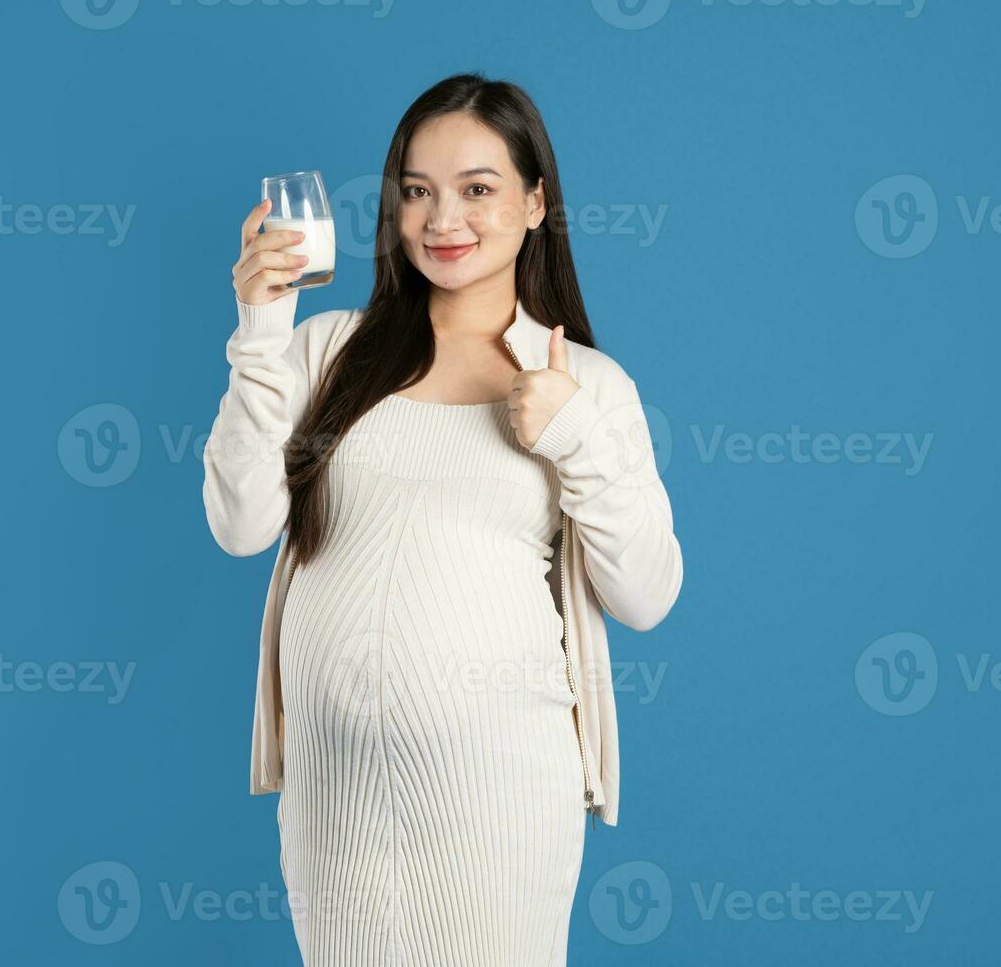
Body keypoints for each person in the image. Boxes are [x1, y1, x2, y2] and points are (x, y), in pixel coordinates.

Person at [203, 71, 683, 967]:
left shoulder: (584, 384)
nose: (442, 219)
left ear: (537, 203)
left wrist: (574, 434)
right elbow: (239, 524)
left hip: (501, 797)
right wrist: (261, 328)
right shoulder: (326, 353)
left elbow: (647, 595)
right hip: (334, 794)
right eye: (417, 191)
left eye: (478, 189)